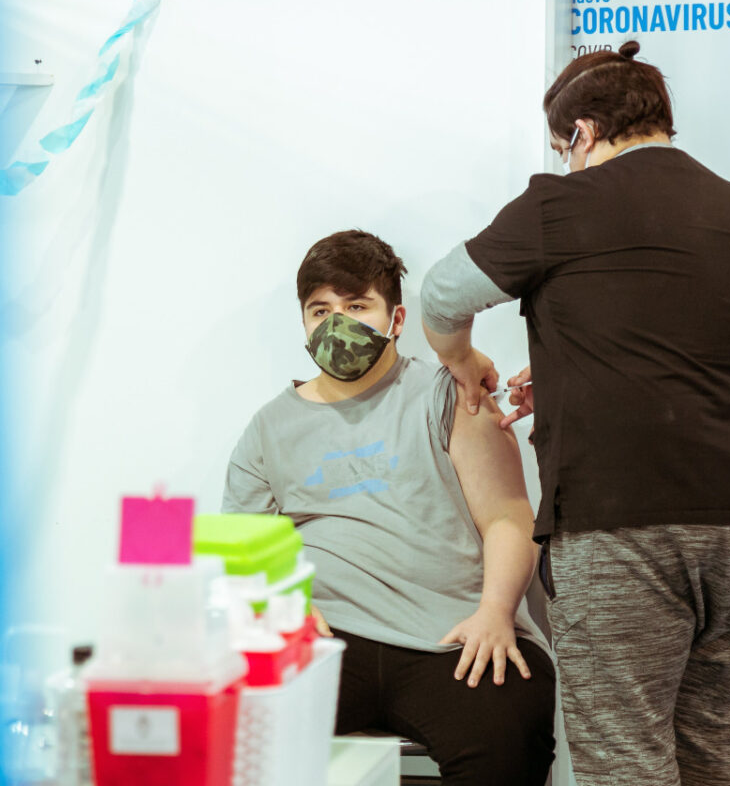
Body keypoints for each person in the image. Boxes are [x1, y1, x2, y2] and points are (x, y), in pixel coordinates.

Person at [418, 40, 730, 786]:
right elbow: (694, 343)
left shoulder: (561, 203)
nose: (565, 164)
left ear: (583, 133)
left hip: (625, 521)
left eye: (563, 149)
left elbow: (440, 296)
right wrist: (569, 372)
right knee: (704, 740)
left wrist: (462, 361)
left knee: (624, 757)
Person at [222, 230, 555, 785]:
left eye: (357, 307)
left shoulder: (453, 394)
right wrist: (282, 607)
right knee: (231, 728)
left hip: (453, 636)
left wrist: (496, 612)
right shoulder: (268, 428)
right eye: (320, 310)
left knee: (507, 736)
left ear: (396, 320)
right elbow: (241, 549)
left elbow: (509, 516)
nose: (337, 323)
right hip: (326, 641)